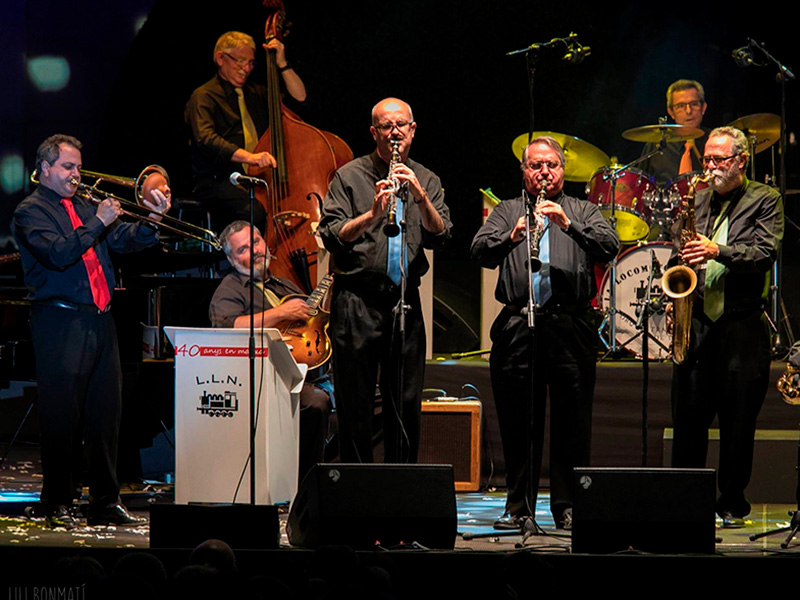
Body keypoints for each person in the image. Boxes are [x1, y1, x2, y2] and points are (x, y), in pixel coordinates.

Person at [13, 134, 171, 529]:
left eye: (78, 166)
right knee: (61, 415)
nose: (76, 174)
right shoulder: (30, 211)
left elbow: (123, 241)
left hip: (100, 319)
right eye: (68, 167)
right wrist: (97, 221)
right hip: (60, 320)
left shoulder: (83, 205)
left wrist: (152, 220)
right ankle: (56, 500)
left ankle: (105, 499)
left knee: (106, 414)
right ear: (45, 169)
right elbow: (58, 254)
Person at [471, 137, 619, 530]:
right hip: (519, 325)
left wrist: (567, 225)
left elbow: (609, 246)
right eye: (535, 166)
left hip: (570, 326)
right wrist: (513, 236)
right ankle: (518, 507)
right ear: (524, 171)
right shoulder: (507, 210)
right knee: (519, 421)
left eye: (551, 165)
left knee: (572, 422)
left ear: (563, 170)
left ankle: (567, 505)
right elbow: (480, 251)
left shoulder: (583, 209)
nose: (544, 173)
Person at [318, 97, 451, 463]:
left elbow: (441, 235)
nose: (395, 133)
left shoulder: (427, 178)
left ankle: (401, 492)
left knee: (406, 403)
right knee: (354, 402)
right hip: (357, 301)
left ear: (413, 130)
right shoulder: (349, 175)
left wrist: (421, 198)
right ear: (374, 132)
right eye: (386, 126)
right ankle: (357, 494)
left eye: (401, 126)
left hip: (404, 300)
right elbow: (332, 234)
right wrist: (372, 215)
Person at [669, 126, 783, 528]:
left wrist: (718, 250)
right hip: (699, 324)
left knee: (738, 422)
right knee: (688, 421)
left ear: (741, 161)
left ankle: (732, 503)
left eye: (720, 159)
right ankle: (684, 500)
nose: (711, 167)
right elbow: (677, 257)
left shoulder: (765, 200)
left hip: (742, 323)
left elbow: (764, 252)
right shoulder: (696, 199)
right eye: (708, 159)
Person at [208, 220, 331, 479]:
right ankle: (305, 486)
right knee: (315, 403)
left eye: (255, 242)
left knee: (363, 400)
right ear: (231, 260)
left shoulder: (284, 285)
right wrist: (281, 312)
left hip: (306, 373)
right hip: (262, 381)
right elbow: (227, 328)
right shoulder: (229, 289)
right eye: (243, 249)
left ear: (265, 243)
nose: (254, 251)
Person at [185, 31, 307, 229]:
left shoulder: (256, 93)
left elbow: (300, 101)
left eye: (250, 63)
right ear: (220, 58)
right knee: (256, 212)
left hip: (258, 180)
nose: (246, 68)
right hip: (219, 180)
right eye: (240, 61)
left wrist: (282, 63)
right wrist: (250, 158)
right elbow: (206, 138)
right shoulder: (203, 96)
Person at [641, 79, 709, 183]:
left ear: (703, 108)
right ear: (671, 112)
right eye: (680, 106)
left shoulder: (716, 141)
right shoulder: (656, 145)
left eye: (694, 104)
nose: (688, 111)